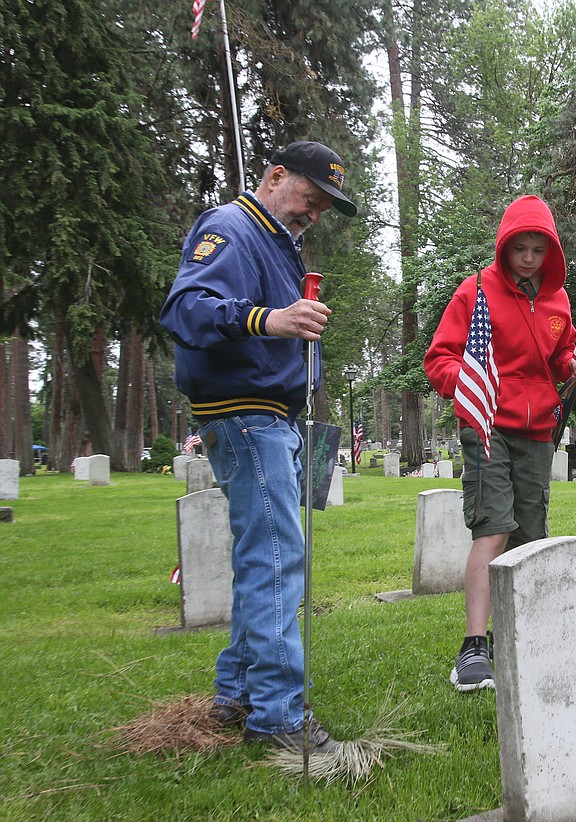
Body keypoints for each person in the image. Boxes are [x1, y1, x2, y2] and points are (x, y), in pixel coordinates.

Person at [160, 140, 358, 753]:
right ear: (275, 177)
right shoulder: (231, 227)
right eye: (310, 198)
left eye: (324, 208)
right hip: (245, 415)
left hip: (268, 416)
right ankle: (279, 718)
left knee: (261, 557)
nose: (314, 214)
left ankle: (238, 693)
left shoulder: (276, 243)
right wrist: (270, 320)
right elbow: (186, 309)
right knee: (276, 559)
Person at [424, 195, 576, 691]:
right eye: (521, 247)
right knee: (493, 529)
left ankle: (526, 631)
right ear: (506, 245)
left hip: (538, 428)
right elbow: (439, 359)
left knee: (531, 534)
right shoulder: (474, 291)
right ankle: (474, 647)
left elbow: (563, 357)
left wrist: (575, 366)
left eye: (539, 250)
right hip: (487, 425)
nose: (529, 258)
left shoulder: (557, 298)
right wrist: (475, 382)